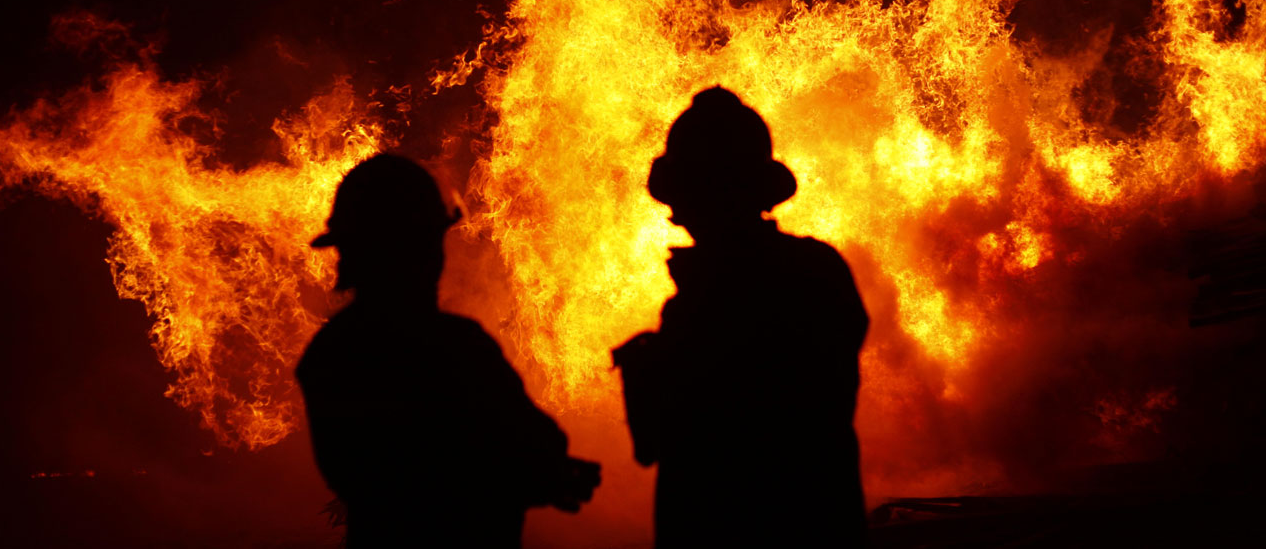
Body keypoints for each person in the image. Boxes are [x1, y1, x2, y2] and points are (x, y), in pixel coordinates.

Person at [296, 153, 599, 547]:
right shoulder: (456, 349)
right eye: (430, 242)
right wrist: (538, 477)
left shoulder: (331, 355)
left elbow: (369, 477)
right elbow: (532, 447)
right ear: (421, 251)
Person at [614, 87, 869, 547]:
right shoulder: (818, 270)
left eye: (684, 196)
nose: (674, 214)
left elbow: (663, 440)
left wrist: (647, 369)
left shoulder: (705, 302)